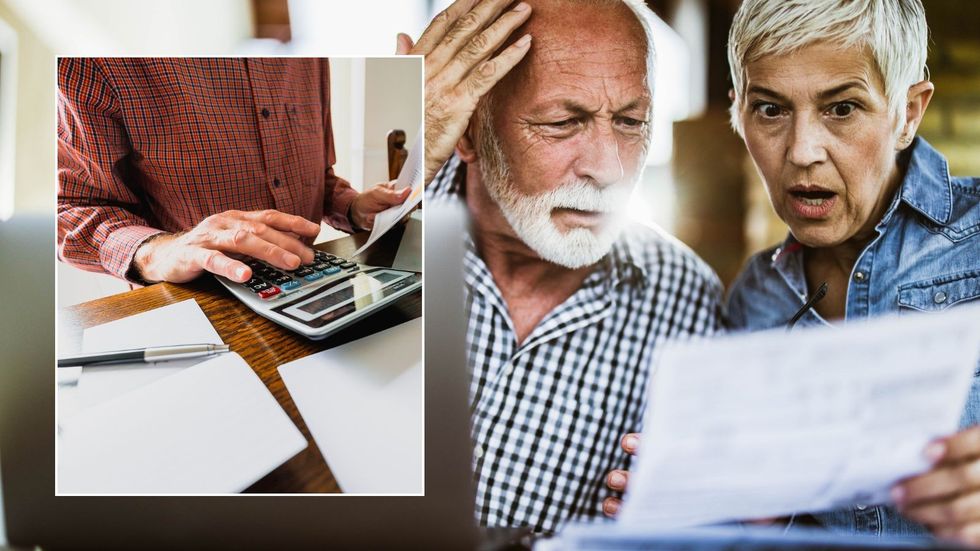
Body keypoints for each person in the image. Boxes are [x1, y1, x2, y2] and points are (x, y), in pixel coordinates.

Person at [605, 0, 980, 545]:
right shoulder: (755, 296)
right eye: (771, 110)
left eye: (843, 108)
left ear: (909, 113)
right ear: (738, 114)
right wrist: (703, 505)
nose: (802, 152)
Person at [422, 0, 724, 534]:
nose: (609, 169)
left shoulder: (691, 299)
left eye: (631, 122)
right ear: (469, 132)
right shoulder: (369, 228)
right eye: (563, 122)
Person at [58, 58, 412, 284]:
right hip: (198, 304)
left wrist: (352, 205)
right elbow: (73, 209)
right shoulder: (92, 60)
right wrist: (159, 252)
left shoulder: (311, 57)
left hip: (317, 280)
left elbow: (320, 176)